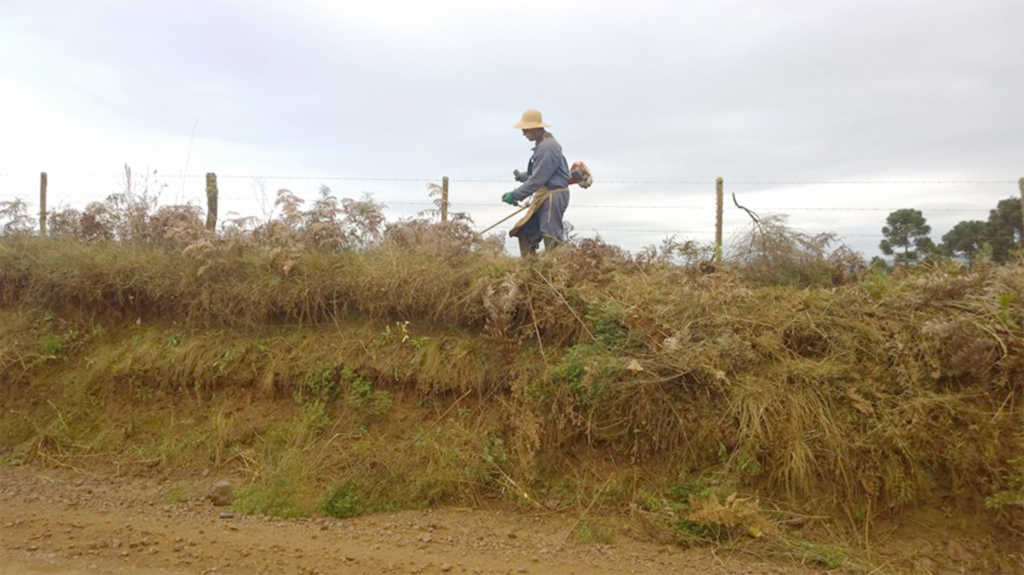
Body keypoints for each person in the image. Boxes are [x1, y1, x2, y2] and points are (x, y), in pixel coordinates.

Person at [502, 109, 570, 256]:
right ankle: (529, 271)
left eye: (525, 130)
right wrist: (524, 176)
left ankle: (559, 270)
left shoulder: (547, 147)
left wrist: (515, 195)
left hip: (552, 195)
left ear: (535, 128)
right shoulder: (543, 145)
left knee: (551, 235)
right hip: (545, 194)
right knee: (525, 231)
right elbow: (541, 173)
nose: (523, 134)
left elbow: (538, 179)